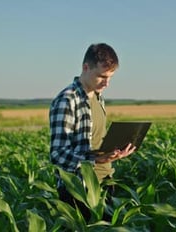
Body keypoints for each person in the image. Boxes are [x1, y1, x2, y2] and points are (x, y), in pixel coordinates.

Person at [49, 42, 136, 221]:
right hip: (79, 190)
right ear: (86, 67)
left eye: (110, 77)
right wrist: (95, 159)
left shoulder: (98, 97)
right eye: (102, 76)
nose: (107, 83)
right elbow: (57, 155)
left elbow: (96, 141)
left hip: (105, 182)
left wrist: (115, 152)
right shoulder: (67, 100)